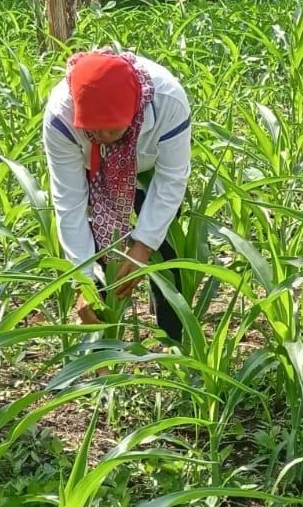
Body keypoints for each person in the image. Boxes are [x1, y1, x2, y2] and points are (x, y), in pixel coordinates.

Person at [42, 50, 192, 340]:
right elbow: (69, 203)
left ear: (133, 112)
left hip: (149, 167)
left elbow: (170, 181)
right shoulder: (61, 115)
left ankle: (173, 339)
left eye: (110, 130)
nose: (101, 137)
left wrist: (142, 248)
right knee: (96, 260)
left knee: (166, 248)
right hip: (91, 169)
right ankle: (103, 350)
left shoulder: (169, 102)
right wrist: (82, 281)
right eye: (91, 130)